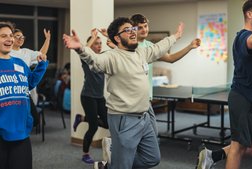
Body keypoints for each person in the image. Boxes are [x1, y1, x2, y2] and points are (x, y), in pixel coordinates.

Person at [63, 17, 184, 169]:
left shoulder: (141, 52)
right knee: (123, 165)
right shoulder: (112, 57)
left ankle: (112, 164)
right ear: (117, 38)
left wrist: (176, 36)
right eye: (127, 30)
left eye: (133, 29)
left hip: (144, 116)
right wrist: (80, 48)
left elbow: (159, 48)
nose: (133, 32)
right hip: (124, 119)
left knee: (152, 158)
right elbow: (94, 60)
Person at [100, 13, 201, 164]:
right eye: (139, 27)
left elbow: (170, 58)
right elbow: (120, 55)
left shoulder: (148, 47)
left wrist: (190, 47)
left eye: (145, 26)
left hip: (146, 101)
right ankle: (117, 157)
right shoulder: (129, 47)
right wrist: (112, 41)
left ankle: (115, 158)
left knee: (150, 142)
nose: (143, 30)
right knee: (136, 144)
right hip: (129, 105)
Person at [196, 1, 252, 169]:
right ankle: (213, 157)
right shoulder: (243, 37)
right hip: (244, 98)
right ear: (249, 14)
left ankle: (212, 155)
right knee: (237, 147)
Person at [0, 21, 48, 169]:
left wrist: (42, 65)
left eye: (11, 36)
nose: (10, 39)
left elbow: (29, 83)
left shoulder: (19, 63)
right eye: (3, 36)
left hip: (20, 132)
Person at [72, 28, 109, 164]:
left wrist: (107, 36)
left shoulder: (103, 57)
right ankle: (85, 153)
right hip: (88, 96)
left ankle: (82, 118)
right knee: (93, 127)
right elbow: (84, 50)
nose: (99, 45)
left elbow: (116, 52)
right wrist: (92, 37)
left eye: (100, 43)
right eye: (96, 43)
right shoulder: (86, 59)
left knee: (107, 123)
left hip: (99, 97)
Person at [9, 28, 51, 126]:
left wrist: (47, 40)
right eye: (17, 37)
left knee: (34, 119)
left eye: (22, 37)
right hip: (11, 89)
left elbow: (41, 55)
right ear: (11, 38)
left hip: (25, 88)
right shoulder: (7, 52)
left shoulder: (26, 52)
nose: (20, 39)